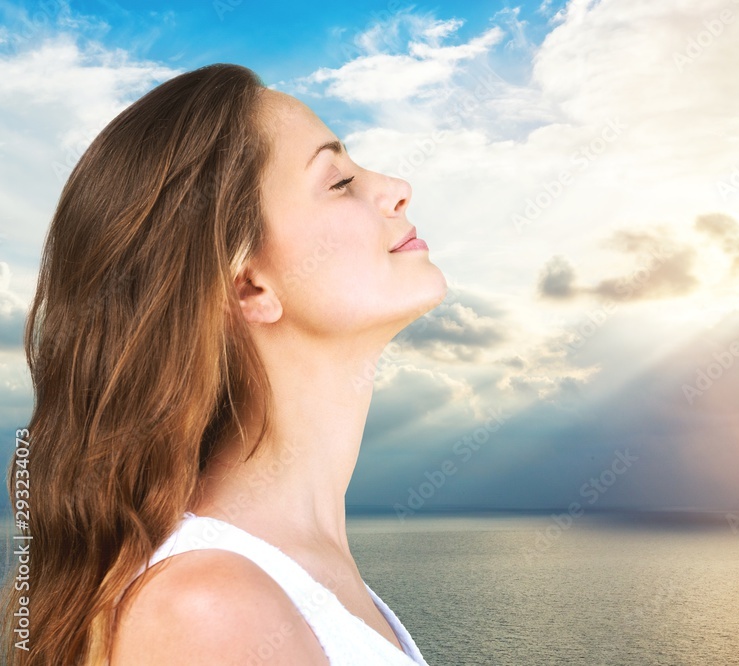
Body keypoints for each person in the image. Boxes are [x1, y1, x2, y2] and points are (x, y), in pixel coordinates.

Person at [1, 63, 446, 665]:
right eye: (338, 180)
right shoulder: (211, 614)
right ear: (247, 286)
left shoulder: (289, 581)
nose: (396, 187)